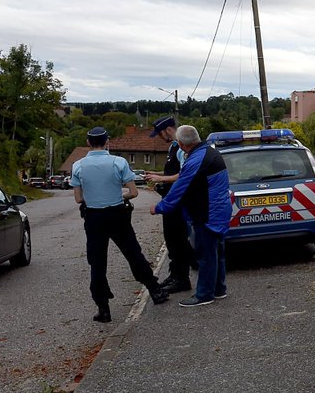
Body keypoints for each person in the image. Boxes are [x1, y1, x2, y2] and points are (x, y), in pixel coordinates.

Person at [71, 126, 169, 323]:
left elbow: (79, 199)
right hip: (117, 214)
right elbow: (133, 192)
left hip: (94, 217)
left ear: (88, 143)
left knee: (97, 262)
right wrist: (117, 196)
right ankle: (155, 290)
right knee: (133, 253)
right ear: (107, 141)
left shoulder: (78, 166)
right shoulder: (119, 162)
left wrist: (95, 198)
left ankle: (103, 309)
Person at [151, 125, 232, 308]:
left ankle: (204, 294)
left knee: (205, 255)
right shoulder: (210, 152)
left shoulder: (196, 159)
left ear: (181, 144)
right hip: (219, 210)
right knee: (216, 252)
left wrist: (159, 207)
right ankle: (219, 289)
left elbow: (180, 187)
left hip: (207, 212)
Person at [144, 115, 197, 293]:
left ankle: (182, 279)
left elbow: (184, 175)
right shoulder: (173, 147)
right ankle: (175, 274)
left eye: (160, 134)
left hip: (177, 202)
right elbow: (172, 172)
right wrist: (157, 175)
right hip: (171, 200)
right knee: (172, 241)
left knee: (178, 240)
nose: (160, 138)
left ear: (168, 130)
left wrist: (161, 179)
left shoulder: (181, 149)